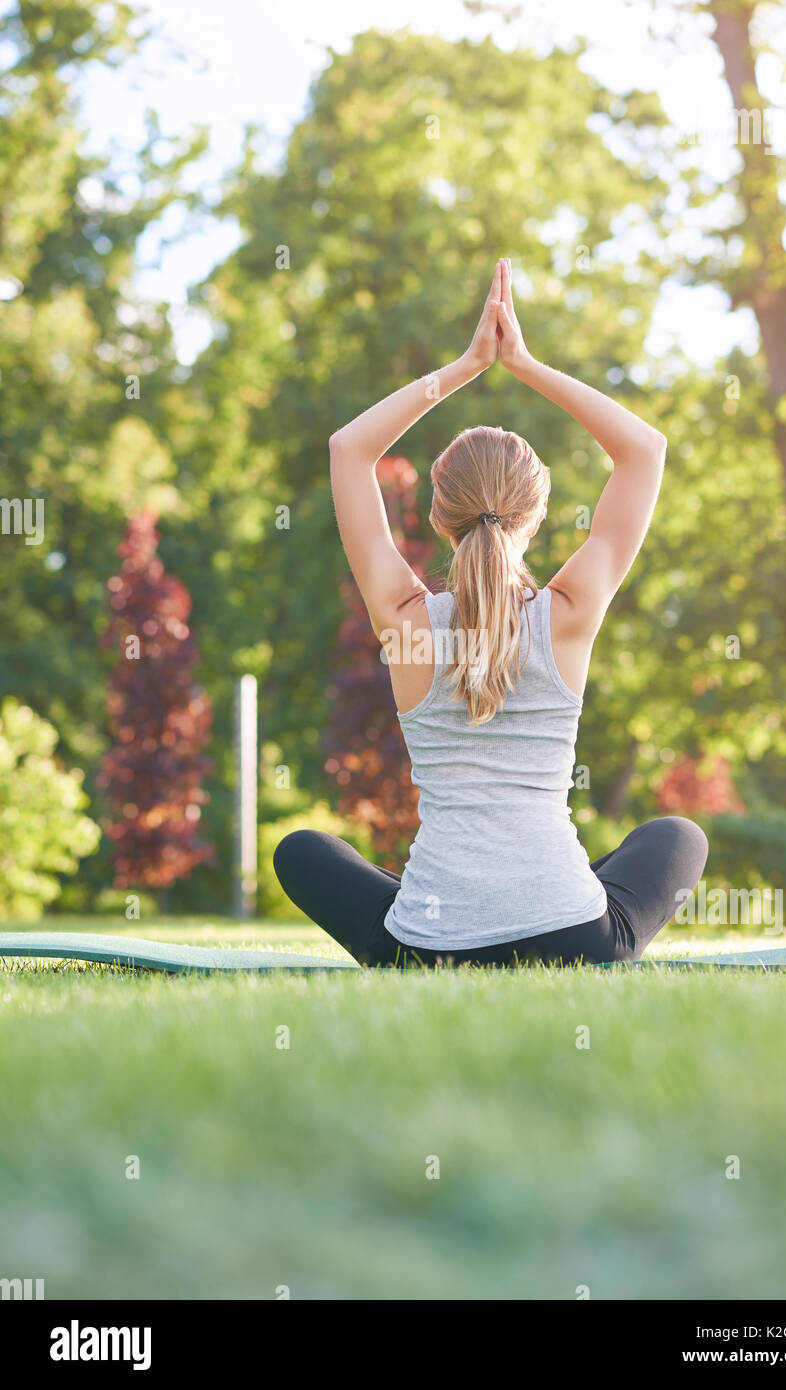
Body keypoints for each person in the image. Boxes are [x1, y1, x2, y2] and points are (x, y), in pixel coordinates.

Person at [274, 259, 708, 967]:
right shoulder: (567, 613)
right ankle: (530, 897)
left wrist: (466, 366)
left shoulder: (406, 620)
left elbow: (349, 451)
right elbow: (643, 450)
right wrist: (524, 363)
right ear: (534, 515)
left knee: (301, 852)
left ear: (437, 517)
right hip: (574, 935)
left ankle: (456, 906)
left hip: (429, 944)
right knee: (678, 837)